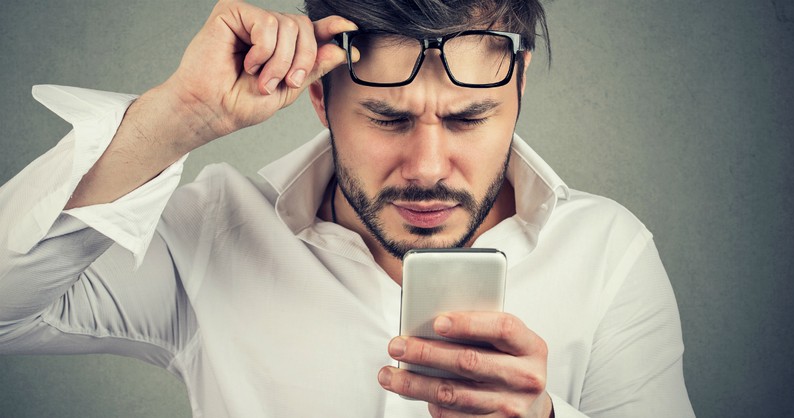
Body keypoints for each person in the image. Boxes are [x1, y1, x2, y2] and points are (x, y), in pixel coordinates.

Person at [0, 0, 695, 416]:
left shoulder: (607, 255)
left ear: (518, 91)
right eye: (388, 120)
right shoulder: (214, 236)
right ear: (319, 99)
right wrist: (176, 118)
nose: (427, 167)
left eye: (468, 118)